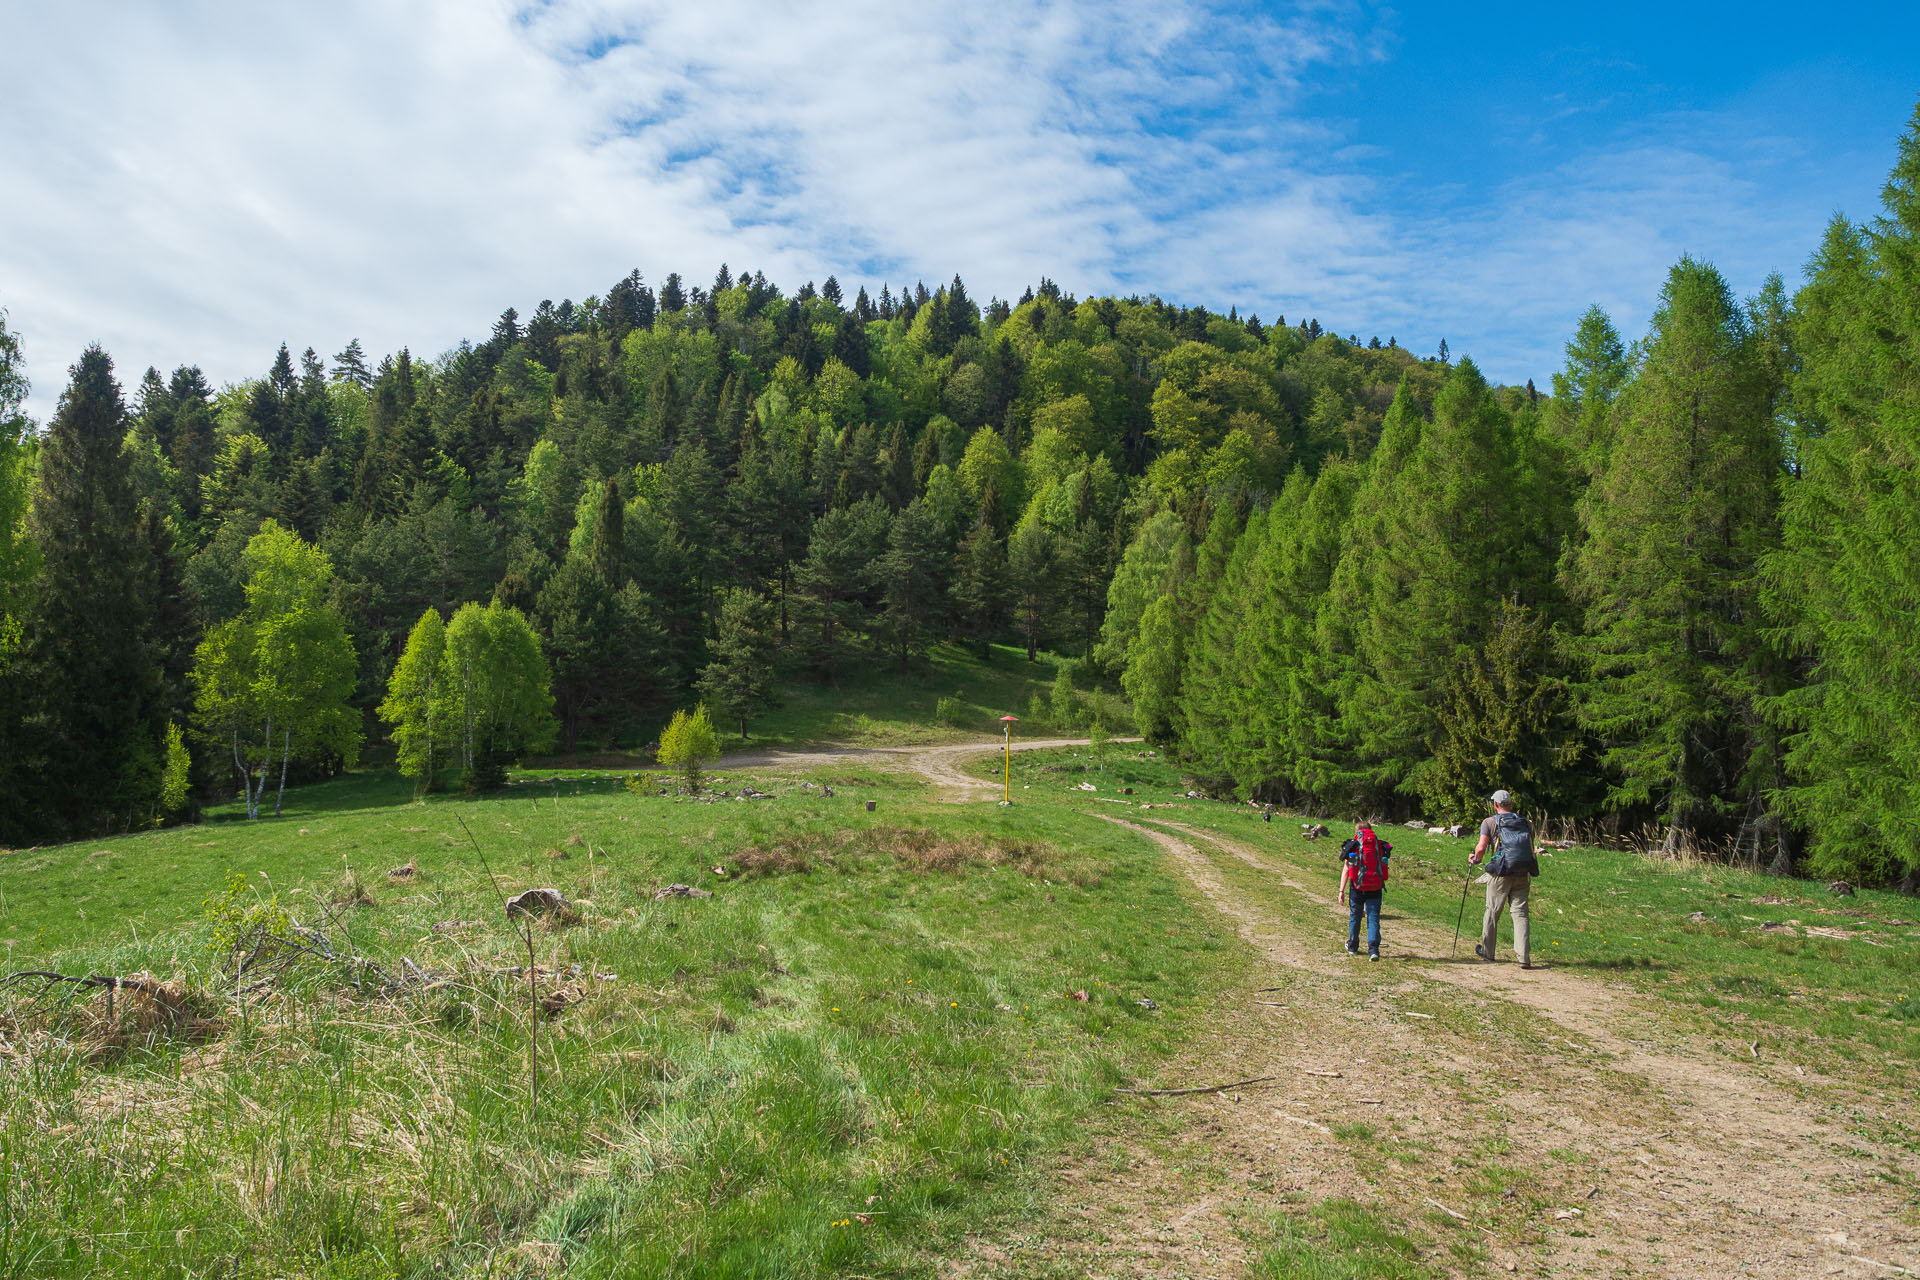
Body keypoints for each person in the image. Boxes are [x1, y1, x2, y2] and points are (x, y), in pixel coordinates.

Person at [1469, 789, 1540, 967]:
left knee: (1492, 911)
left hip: (1500, 873)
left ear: (1495, 804)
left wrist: (1475, 859)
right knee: (1521, 914)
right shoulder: (1525, 822)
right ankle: (1523, 957)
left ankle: (1488, 951)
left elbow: (1481, 848)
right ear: (1510, 803)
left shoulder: (1489, 822)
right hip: (1523, 871)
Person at [1337, 821, 1392, 961]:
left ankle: (1353, 947)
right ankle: (1373, 950)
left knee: (1355, 917)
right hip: (1375, 887)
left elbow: (1346, 870)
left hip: (1356, 887)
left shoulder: (1353, 846)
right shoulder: (1379, 846)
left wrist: (1341, 891)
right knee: (1373, 918)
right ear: (1371, 830)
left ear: (1357, 832)